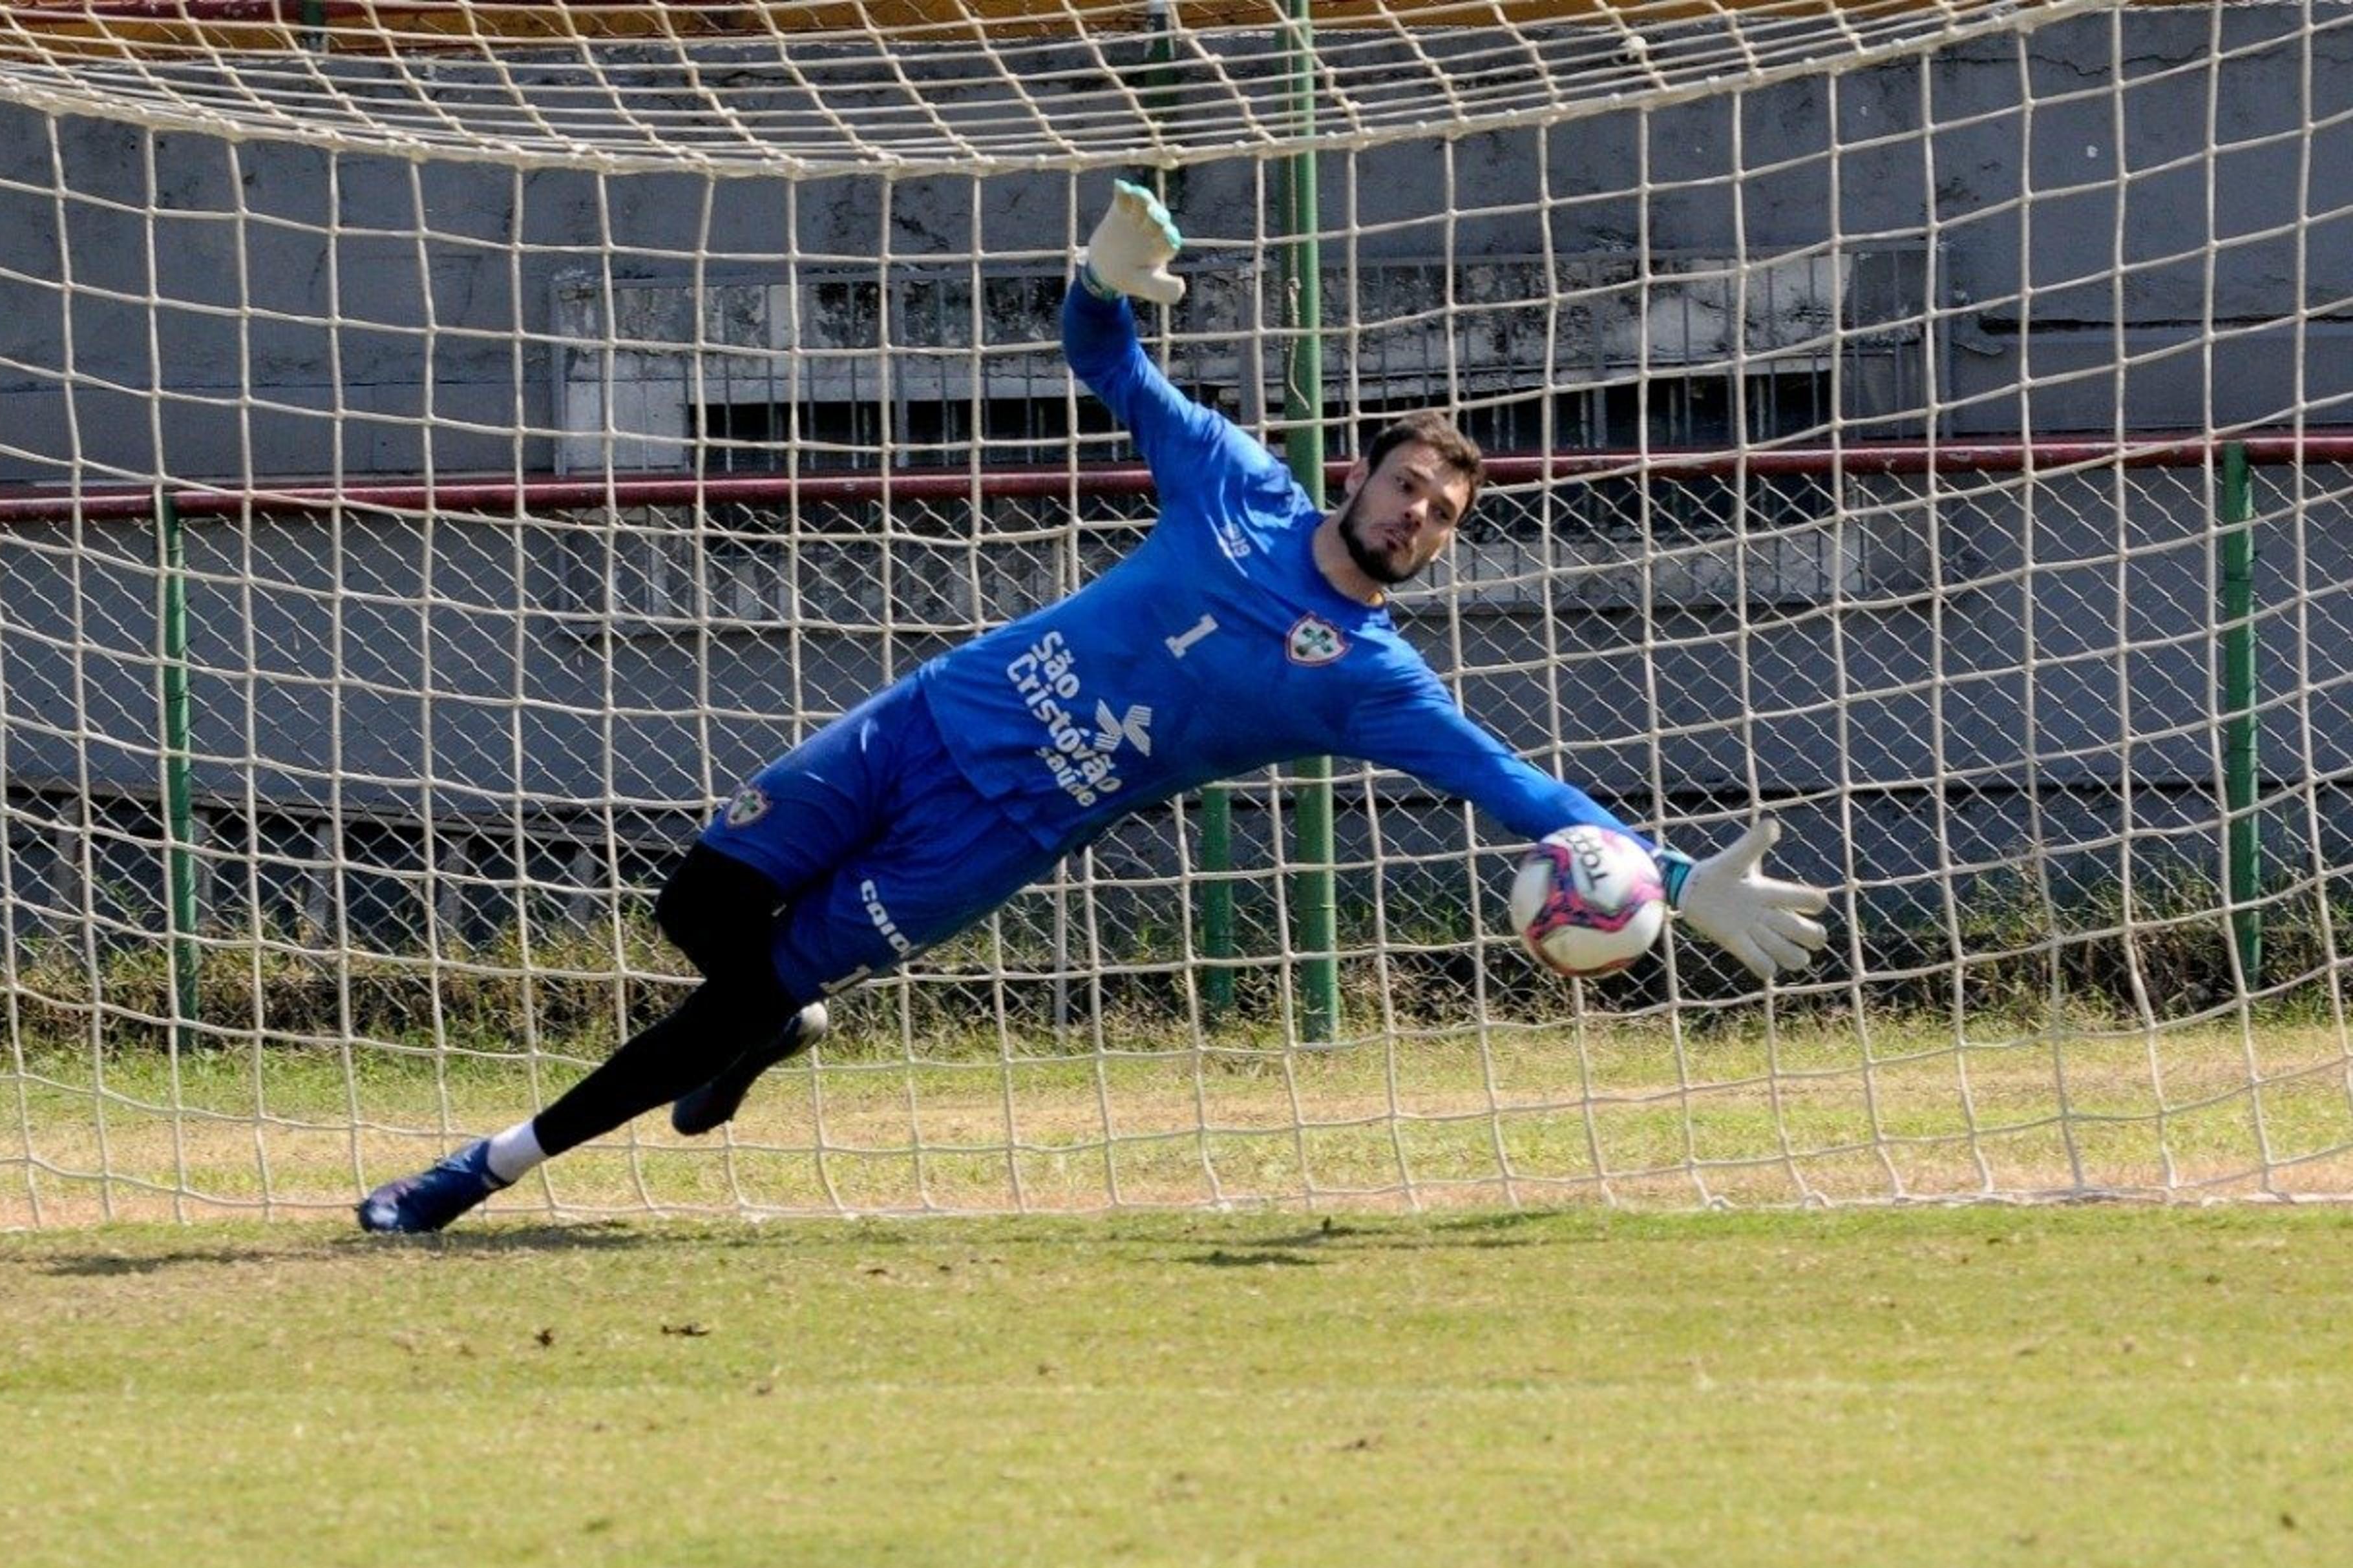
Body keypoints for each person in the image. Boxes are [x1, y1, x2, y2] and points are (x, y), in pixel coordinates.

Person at [357, 182, 1831, 1235]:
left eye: (1442, 514)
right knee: (697, 910)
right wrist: (1098, 275)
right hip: (925, 720)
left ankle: (484, 1170)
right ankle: (767, 1022)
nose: (1417, 513)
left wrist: (1664, 875)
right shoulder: (1238, 488)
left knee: (735, 987)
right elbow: (1102, 358)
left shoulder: (1375, 682)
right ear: (1362, 476)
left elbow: (1509, 785)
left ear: (1443, 542)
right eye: (1406, 483)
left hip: (986, 840)